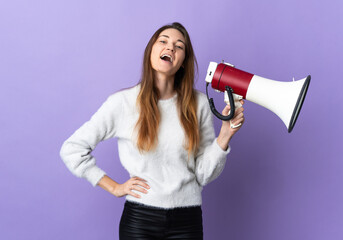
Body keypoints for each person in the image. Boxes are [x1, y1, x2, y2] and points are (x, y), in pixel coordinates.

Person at [60, 22, 245, 240]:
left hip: (188, 220)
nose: (170, 48)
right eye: (163, 41)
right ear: (151, 51)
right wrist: (114, 187)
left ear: (183, 62)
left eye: (179, 46)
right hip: (140, 220)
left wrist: (224, 135)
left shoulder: (199, 104)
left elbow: (203, 175)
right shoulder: (123, 103)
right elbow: (72, 149)